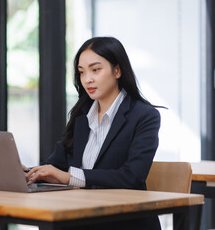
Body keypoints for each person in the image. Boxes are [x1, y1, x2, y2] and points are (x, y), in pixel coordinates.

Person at [25, 36, 162, 230]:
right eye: (81, 72)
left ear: (117, 70)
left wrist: (69, 177)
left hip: (122, 222)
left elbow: (131, 177)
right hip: (81, 216)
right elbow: (55, 165)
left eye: (95, 70)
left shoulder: (144, 116)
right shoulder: (81, 115)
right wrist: (27, 172)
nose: (87, 79)